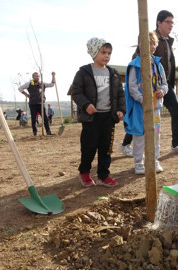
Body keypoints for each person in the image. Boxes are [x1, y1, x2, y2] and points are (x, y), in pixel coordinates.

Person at [119, 10, 178, 156]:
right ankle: (126, 144)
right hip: (149, 86)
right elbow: (137, 57)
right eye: (168, 22)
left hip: (164, 85)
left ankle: (176, 144)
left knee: (176, 110)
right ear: (159, 23)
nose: (171, 25)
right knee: (141, 116)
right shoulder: (150, 38)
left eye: (172, 22)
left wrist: (167, 84)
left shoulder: (167, 41)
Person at [71, 37, 125, 187]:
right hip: (91, 118)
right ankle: (85, 172)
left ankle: (103, 175)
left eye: (109, 53)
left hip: (108, 117)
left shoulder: (113, 74)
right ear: (94, 52)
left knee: (106, 148)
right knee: (89, 147)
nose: (106, 55)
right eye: (103, 52)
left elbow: (120, 95)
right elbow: (76, 92)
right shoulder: (84, 72)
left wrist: (121, 110)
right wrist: (86, 104)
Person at [123, 31, 168, 175]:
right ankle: (139, 162)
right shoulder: (135, 65)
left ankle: (154, 161)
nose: (152, 45)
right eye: (148, 42)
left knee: (155, 135)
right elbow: (131, 87)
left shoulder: (158, 65)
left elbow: (165, 84)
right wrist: (143, 100)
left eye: (154, 42)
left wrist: (162, 91)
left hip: (156, 108)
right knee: (139, 135)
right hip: (140, 108)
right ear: (140, 44)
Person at [18, 71, 56, 136]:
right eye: (35, 76)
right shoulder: (29, 83)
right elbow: (20, 88)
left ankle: (48, 132)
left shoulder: (42, 83)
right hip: (33, 104)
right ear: (33, 77)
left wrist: (53, 76)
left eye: (38, 76)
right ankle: (35, 133)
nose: (37, 77)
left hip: (41, 103)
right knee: (34, 118)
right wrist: (26, 94)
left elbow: (52, 84)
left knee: (45, 118)